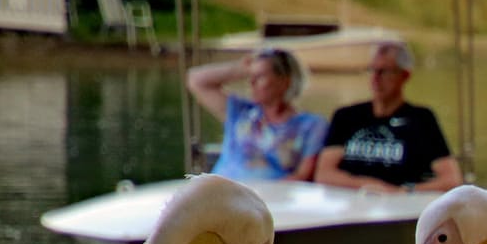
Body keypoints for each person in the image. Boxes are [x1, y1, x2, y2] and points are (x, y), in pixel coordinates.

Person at [315, 41, 464, 193]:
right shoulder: (346, 116)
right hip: (350, 203)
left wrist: (403, 191)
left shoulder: (421, 119)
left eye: (384, 72)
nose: (376, 78)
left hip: (399, 205)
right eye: (372, 70)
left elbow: (451, 180)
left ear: (404, 75)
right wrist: (366, 185)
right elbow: (324, 174)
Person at [186, 48, 327, 182]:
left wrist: (259, 194)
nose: (251, 82)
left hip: (273, 199)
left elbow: (303, 176)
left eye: (260, 76)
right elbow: (196, 80)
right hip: (222, 194)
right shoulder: (240, 111)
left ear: (285, 81)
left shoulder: (311, 125)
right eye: (250, 76)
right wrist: (240, 69)